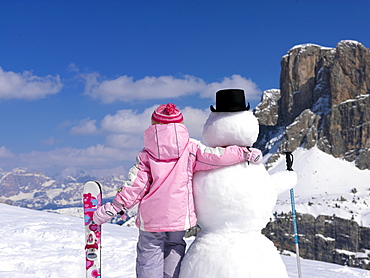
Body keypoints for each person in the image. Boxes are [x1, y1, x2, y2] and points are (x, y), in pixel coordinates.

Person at [93, 103, 263, 278]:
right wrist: (244, 153)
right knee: (174, 246)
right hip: (178, 214)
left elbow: (136, 186)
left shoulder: (146, 154)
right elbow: (216, 157)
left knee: (149, 252)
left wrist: (114, 207)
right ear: (180, 125)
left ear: (154, 126)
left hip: (152, 217)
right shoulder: (191, 148)